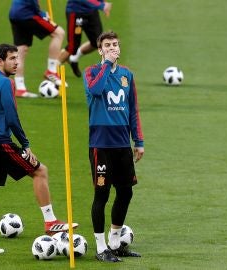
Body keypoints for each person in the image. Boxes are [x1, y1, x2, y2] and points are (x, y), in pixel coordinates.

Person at [0, 44, 78, 254]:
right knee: (40, 171)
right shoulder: (5, 83)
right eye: (12, 58)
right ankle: (50, 222)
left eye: (17, 58)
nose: (17, 62)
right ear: (0, 61)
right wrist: (25, 144)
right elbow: (12, 116)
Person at [83, 31, 144, 262]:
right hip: (101, 145)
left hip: (122, 144)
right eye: (107, 45)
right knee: (102, 194)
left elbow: (132, 109)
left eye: (115, 44)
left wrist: (138, 141)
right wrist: (107, 64)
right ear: (100, 50)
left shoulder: (127, 74)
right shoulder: (92, 72)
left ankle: (115, 242)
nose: (112, 48)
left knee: (126, 192)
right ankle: (101, 248)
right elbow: (95, 91)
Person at [9, 0, 67, 98]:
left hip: (15, 13)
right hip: (26, 13)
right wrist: (41, 13)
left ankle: (20, 88)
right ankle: (51, 71)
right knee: (59, 33)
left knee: (21, 49)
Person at [58, 0, 112, 78]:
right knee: (72, 47)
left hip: (91, 11)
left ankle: (74, 58)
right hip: (76, 12)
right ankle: (53, 71)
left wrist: (102, 2)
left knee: (97, 42)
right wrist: (102, 5)